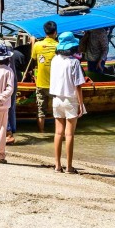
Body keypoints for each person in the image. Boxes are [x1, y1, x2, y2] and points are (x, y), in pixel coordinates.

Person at [49, 31, 86, 174]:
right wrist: (81, 104)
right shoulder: (74, 62)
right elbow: (78, 86)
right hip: (70, 99)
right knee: (69, 134)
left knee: (58, 133)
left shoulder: (54, 60)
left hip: (57, 98)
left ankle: (57, 165)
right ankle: (69, 166)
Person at [29, 21, 59, 133]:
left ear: (45, 32)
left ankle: (41, 132)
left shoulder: (37, 45)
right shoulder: (58, 46)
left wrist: (32, 42)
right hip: (55, 85)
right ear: (55, 32)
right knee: (57, 111)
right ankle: (58, 133)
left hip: (40, 83)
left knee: (41, 111)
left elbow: (33, 58)